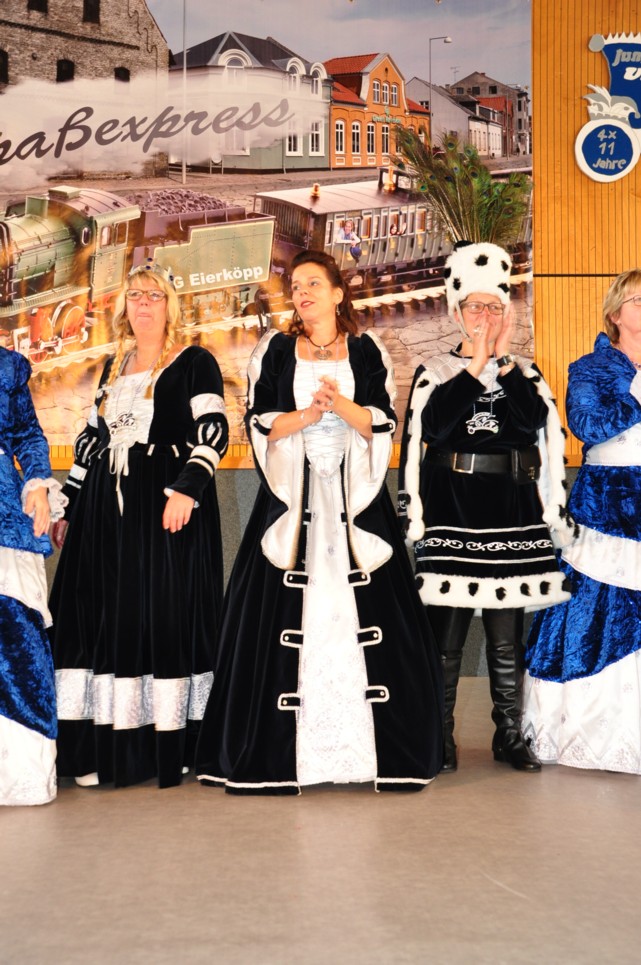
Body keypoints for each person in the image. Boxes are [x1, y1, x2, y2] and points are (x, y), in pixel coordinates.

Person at [195, 249, 443, 794]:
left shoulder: (367, 348)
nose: (302, 293)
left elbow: (383, 421)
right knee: (268, 625)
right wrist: (308, 414)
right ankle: (280, 752)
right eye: (296, 286)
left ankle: (378, 751)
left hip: (358, 502)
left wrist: (340, 405)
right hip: (292, 499)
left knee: (384, 624)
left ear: (337, 293)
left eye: (313, 283)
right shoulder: (274, 350)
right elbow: (260, 422)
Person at [49, 264, 229, 789]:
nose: (144, 303)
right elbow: (91, 443)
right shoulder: (113, 366)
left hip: (164, 505)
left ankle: (165, 745)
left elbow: (213, 430)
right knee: (96, 614)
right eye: (135, 295)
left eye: (154, 295)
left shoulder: (194, 361)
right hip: (105, 511)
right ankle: (98, 747)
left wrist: (187, 489)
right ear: (124, 305)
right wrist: (69, 506)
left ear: (171, 305)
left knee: (161, 616)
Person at [398, 240, 575, 773]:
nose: (484, 316)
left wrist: (501, 362)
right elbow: (435, 428)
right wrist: (475, 365)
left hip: (511, 510)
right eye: (475, 306)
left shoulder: (525, 371)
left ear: (505, 314)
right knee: (446, 638)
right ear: (457, 312)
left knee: (505, 636)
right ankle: (440, 734)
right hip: (451, 508)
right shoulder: (434, 370)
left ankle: (509, 734)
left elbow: (531, 424)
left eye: (494, 307)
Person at [523, 269, 641, 773]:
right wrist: (636, 396)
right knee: (594, 608)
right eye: (639, 301)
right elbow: (587, 425)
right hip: (607, 504)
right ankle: (587, 730)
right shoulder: (590, 367)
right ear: (615, 313)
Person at [0, 347, 66, 806]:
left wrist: (38, 484)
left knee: (19, 639)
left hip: (4, 514)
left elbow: (27, 433)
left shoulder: (7, 367)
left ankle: (20, 775)